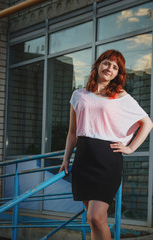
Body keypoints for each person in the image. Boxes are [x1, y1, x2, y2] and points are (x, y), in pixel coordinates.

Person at [59, 49, 153, 240]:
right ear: (98, 65)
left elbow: (147, 123)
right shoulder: (78, 95)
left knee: (95, 217)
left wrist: (130, 148)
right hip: (83, 160)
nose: (109, 68)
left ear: (118, 73)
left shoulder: (119, 95)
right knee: (93, 219)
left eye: (115, 67)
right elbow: (72, 133)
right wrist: (66, 159)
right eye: (106, 63)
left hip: (107, 160)